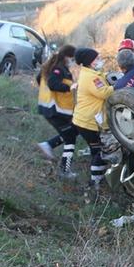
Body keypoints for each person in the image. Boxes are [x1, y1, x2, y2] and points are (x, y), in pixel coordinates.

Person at [71, 47, 114, 189]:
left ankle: (97, 179)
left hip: (84, 119)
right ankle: (95, 182)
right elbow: (104, 93)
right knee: (100, 150)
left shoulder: (90, 73)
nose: (100, 60)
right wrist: (120, 85)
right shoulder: (91, 77)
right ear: (90, 61)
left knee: (97, 149)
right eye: (97, 58)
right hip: (88, 121)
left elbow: (101, 80)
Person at [36, 44, 79, 178]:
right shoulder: (58, 69)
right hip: (55, 110)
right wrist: (70, 87)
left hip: (52, 109)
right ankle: (64, 171)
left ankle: (48, 145)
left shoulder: (51, 66)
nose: (73, 61)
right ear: (67, 56)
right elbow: (53, 84)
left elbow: (39, 79)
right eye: (72, 58)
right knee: (70, 138)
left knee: (74, 130)